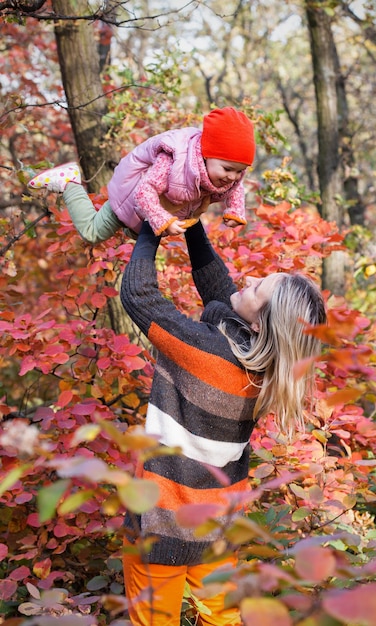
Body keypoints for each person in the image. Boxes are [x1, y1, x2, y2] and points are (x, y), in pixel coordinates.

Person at [119, 216, 327, 625]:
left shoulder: (204, 351)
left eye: (254, 288)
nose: (244, 282)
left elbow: (138, 296)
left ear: (258, 324)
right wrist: (193, 223)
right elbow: (221, 294)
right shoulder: (266, 370)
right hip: (219, 529)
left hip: (162, 522)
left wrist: (150, 227)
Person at [27, 107, 256, 242]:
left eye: (240, 171)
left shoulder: (227, 174)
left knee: (141, 235)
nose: (233, 177)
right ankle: (69, 181)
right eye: (227, 169)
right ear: (207, 154)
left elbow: (236, 188)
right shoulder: (175, 160)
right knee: (92, 232)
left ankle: (137, 226)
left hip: (160, 208)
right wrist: (163, 220)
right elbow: (144, 192)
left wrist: (234, 211)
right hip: (132, 195)